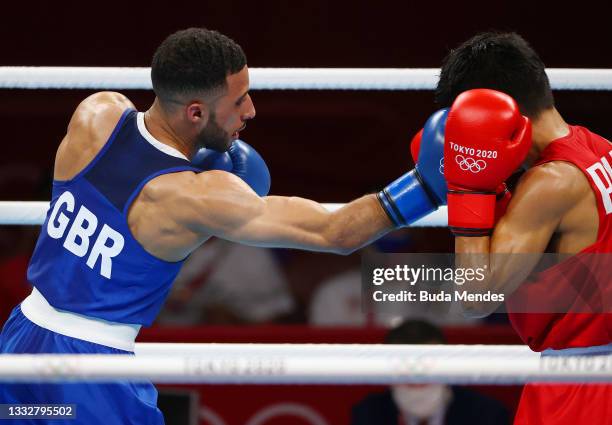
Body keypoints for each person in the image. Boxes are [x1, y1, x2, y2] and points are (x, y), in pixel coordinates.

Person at [0, 28, 449, 424]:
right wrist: (427, 187)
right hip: (89, 376)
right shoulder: (194, 198)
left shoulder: (95, 114)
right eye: (239, 101)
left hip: (20, 338)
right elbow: (333, 233)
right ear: (195, 113)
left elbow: (128, 167)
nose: (251, 110)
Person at [435, 32, 612, 424]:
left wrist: (471, 190)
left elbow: (476, 297)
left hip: (580, 388)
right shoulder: (600, 147)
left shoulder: (549, 183)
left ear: (495, 110)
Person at [351, 319, 510, 425]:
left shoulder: (487, 415)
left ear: (447, 366)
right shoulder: (369, 414)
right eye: (406, 368)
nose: (418, 381)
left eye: (427, 367)